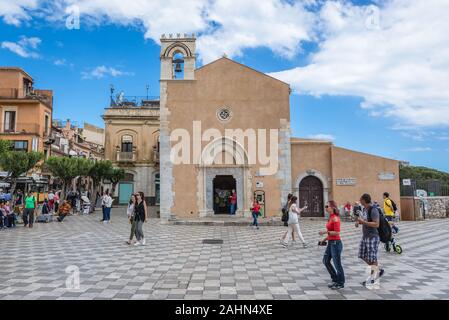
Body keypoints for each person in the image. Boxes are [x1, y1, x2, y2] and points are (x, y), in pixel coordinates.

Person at [356, 193, 384, 288]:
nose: (359, 201)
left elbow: (376, 224)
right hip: (365, 237)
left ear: (364, 200)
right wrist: (359, 222)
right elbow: (365, 221)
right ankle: (378, 270)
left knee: (372, 258)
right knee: (362, 255)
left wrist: (363, 222)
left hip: (373, 237)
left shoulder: (373, 209)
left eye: (361, 199)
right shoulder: (365, 209)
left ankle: (373, 278)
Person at [319, 201, 345, 290]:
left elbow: (337, 232)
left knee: (337, 264)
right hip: (331, 243)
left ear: (332, 207)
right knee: (325, 261)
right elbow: (331, 233)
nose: (325, 208)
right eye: (325, 206)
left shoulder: (335, 218)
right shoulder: (331, 217)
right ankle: (335, 279)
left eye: (327, 206)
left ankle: (340, 282)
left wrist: (325, 232)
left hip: (336, 243)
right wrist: (324, 239)